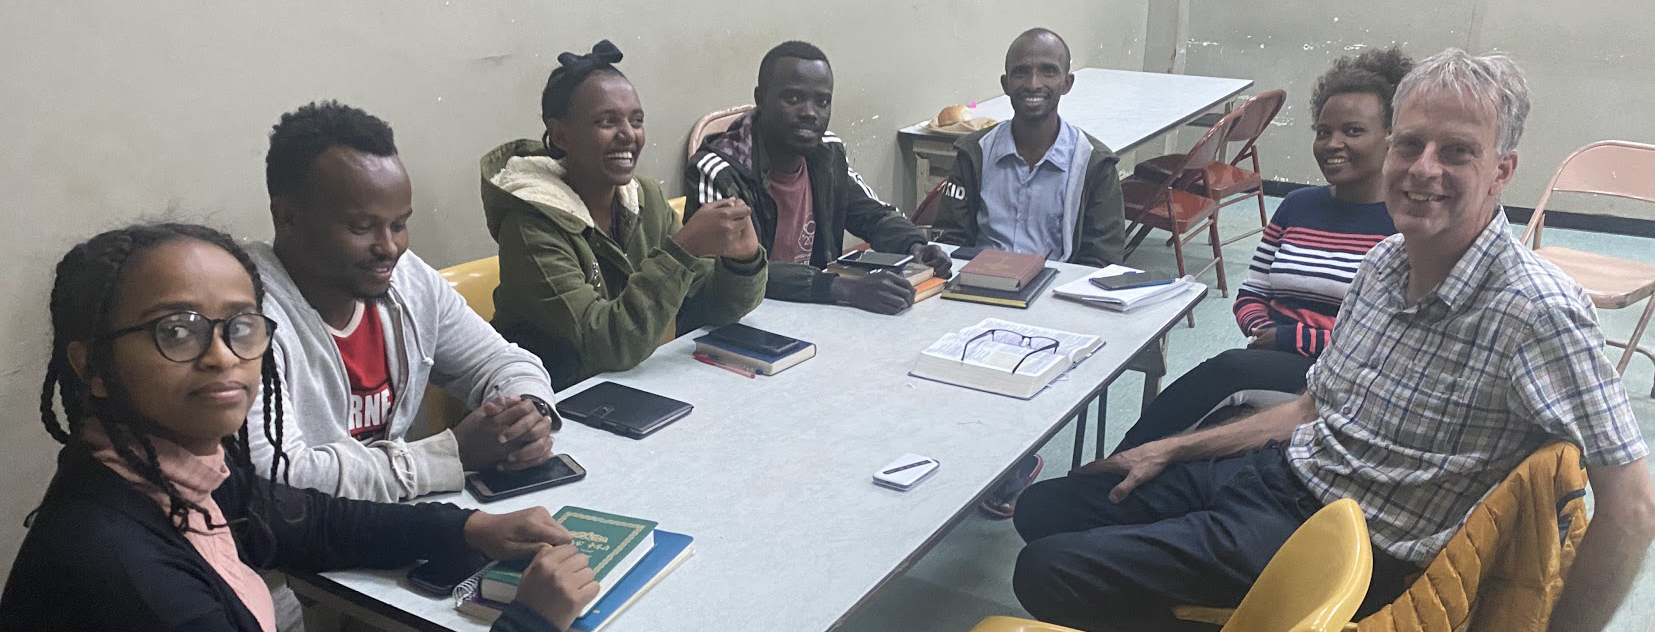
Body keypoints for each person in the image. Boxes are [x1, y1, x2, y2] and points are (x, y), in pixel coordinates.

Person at [1010, 49, 1654, 632]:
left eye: (1457, 151)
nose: (1423, 170)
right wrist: (1171, 451)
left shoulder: (1536, 310)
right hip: (1281, 475)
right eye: (1410, 145)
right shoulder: (1383, 263)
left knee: (1047, 569)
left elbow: (1633, 506)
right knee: (1045, 508)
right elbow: (1308, 410)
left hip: (1345, 545)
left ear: (1501, 171)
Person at [1, 223, 598, 632]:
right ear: (92, 368)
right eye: (176, 330)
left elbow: (311, 521)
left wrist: (471, 527)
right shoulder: (128, 577)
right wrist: (531, 621)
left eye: (240, 325)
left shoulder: (172, 467)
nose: (222, 355)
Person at [246, 101, 560, 506]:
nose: (389, 247)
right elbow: (281, 476)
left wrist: (526, 416)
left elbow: (501, 362)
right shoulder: (245, 317)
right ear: (287, 218)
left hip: (394, 519)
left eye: (399, 224)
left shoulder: (406, 279)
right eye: (361, 228)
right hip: (304, 549)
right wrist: (451, 455)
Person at [1111, 47, 1410, 453]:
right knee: (1209, 418)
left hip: (1343, 379)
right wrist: (1260, 329)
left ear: (1391, 139)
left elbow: (1387, 343)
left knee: (1226, 376)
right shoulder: (1297, 205)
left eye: (1353, 131)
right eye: (1324, 132)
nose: (1332, 143)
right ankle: (1123, 469)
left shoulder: (1403, 230)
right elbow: (1252, 293)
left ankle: (1118, 463)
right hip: (1267, 356)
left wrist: (1287, 338)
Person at [484, 41, 766, 389]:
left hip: (625, 388)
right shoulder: (530, 227)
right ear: (560, 134)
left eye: (636, 121)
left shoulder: (644, 198)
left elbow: (705, 308)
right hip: (547, 407)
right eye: (607, 121)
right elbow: (607, 344)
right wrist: (682, 252)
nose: (628, 135)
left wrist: (742, 263)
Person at [685, 40, 951, 315]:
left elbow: (874, 215)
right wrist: (843, 288)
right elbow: (730, 274)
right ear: (760, 98)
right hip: (747, 319)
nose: (810, 113)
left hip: (815, 310)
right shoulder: (719, 170)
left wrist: (915, 245)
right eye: (793, 99)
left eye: (822, 102)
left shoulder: (826, 153)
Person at [932, 28, 1127, 268]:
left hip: (1055, 292)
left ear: (1067, 83)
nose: (1033, 84)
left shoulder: (1094, 164)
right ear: (1005, 84)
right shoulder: (975, 153)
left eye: (1048, 71)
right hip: (978, 284)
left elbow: (1102, 260)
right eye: (1021, 72)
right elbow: (950, 241)